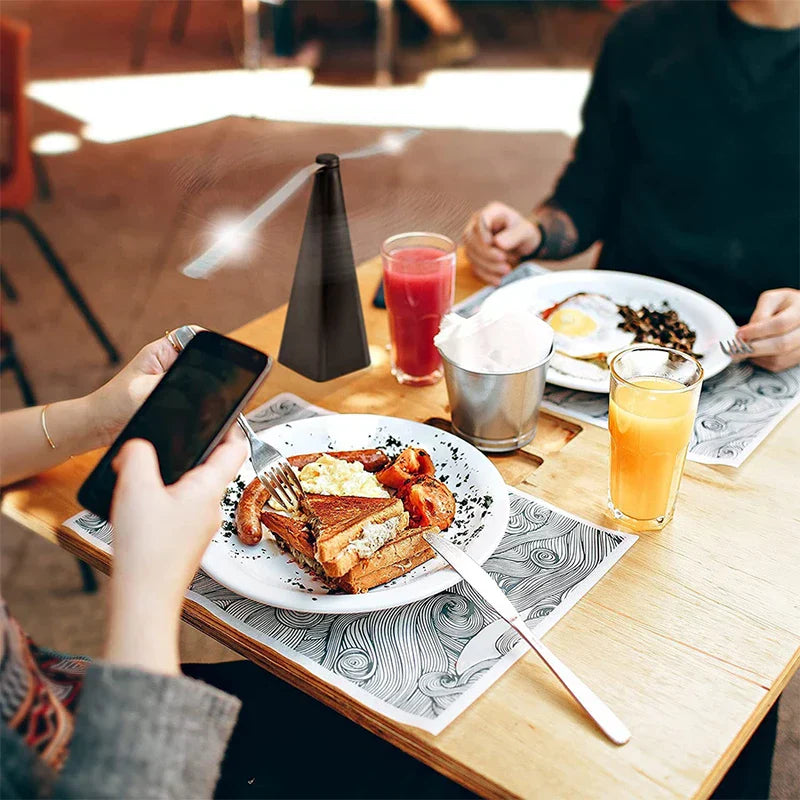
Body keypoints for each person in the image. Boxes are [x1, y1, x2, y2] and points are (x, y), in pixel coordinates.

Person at [0, 336, 472, 799]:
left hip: (65, 688)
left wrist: (94, 419)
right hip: (128, 742)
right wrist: (150, 585)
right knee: (427, 768)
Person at [463, 0, 800, 373]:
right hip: (615, 338)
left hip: (767, 349)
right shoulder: (643, 32)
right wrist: (535, 232)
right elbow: (589, 191)